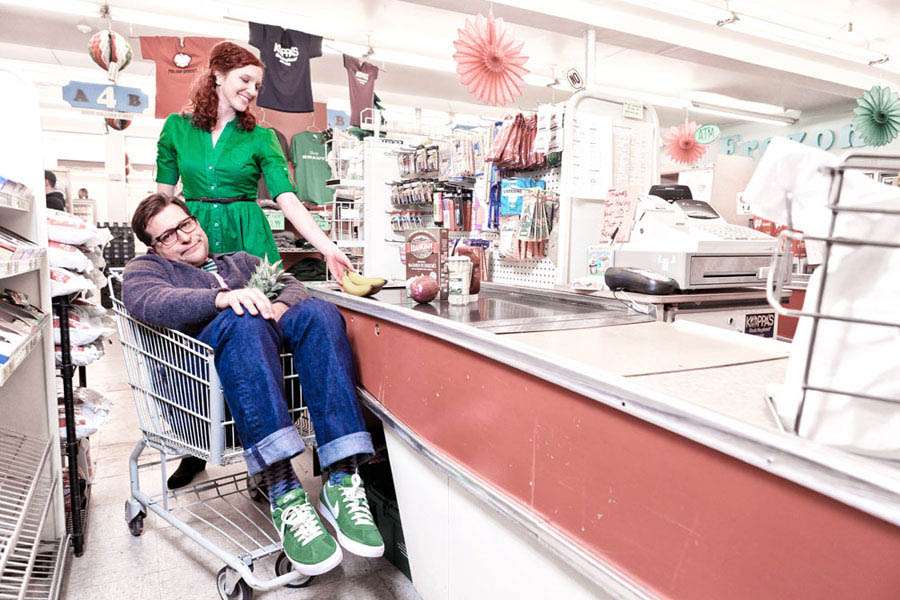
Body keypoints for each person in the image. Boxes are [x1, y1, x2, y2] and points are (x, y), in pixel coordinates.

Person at [122, 193, 383, 576]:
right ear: (154, 247)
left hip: (272, 396)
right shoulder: (147, 270)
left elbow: (290, 284)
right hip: (204, 406)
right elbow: (148, 300)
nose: (184, 237)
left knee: (319, 313)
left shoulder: (240, 262)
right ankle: (282, 489)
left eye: (185, 224)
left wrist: (279, 307)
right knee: (244, 320)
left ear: (196, 221)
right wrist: (223, 299)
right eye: (168, 236)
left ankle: (342, 478)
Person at [156, 41, 354, 488]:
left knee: (262, 340)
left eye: (258, 85)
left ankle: (265, 461)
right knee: (189, 345)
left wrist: (327, 247)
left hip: (250, 240)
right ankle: (195, 445)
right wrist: (155, 252)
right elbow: (162, 198)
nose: (252, 91)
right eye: (245, 80)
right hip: (193, 237)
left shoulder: (261, 136)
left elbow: (287, 198)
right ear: (217, 75)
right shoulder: (176, 129)